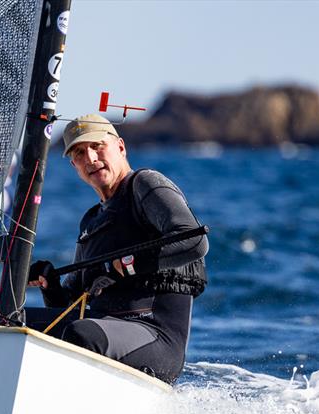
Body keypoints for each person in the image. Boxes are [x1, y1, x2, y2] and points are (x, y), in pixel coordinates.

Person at [26, 114, 208, 383]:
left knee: (81, 335)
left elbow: (195, 241)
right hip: (101, 326)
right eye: (79, 153)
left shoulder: (145, 185)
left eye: (97, 146)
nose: (90, 158)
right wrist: (49, 284)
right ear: (74, 165)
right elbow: (67, 308)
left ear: (120, 147)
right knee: (10, 320)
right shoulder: (91, 221)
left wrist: (128, 264)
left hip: (155, 336)